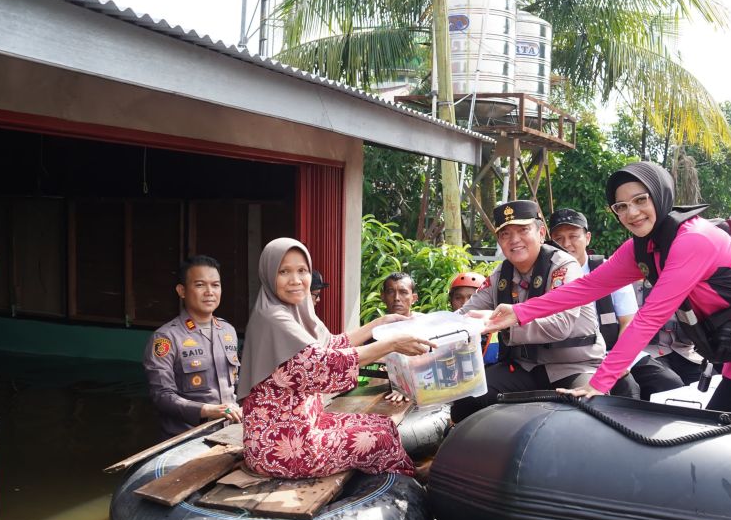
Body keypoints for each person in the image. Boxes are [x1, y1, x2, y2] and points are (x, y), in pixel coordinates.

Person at [486, 163, 731, 414]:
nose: (632, 212)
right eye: (621, 206)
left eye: (640, 200)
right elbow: (585, 288)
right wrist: (517, 312)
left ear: (660, 195)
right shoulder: (642, 247)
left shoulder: (691, 240)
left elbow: (649, 318)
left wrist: (600, 383)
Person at [236, 238, 433, 478]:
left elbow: (333, 344)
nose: (296, 280)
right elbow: (325, 365)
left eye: (302, 270)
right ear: (268, 274)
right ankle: (412, 481)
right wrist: (391, 344)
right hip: (282, 445)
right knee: (380, 439)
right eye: (284, 271)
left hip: (304, 424)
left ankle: (408, 474)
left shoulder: (294, 312)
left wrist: (381, 322)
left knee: (384, 424)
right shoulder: (274, 318)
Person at [452, 200, 635, 423]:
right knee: (467, 401)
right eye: (505, 234)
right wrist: (423, 329)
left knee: (590, 413)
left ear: (540, 232)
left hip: (574, 366)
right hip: (525, 368)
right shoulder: (500, 275)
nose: (514, 240)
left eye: (523, 230)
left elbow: (561, 325)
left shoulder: (563, 267)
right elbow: (464, 315)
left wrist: (503, 322)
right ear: (499, 241)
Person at [549, 207, 673, 399]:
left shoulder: (610, 270)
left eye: (573, 236)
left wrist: (618, 361)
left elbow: (628, 321)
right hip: (578, 358)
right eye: (559, 239)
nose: (567, 244)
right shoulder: (548, 277)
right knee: (627, 389)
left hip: (616, 351)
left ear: (587, 237)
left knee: (669, 383)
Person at [143, 255, 243, 436]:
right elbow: (162, 396)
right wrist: (207, 410)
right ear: (182, 291)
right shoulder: (166, 337)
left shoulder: (228, 331)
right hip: (187, 438)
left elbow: (237, 386)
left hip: (230, 433)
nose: (209, 292)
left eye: (215, 285)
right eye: (200, 285)